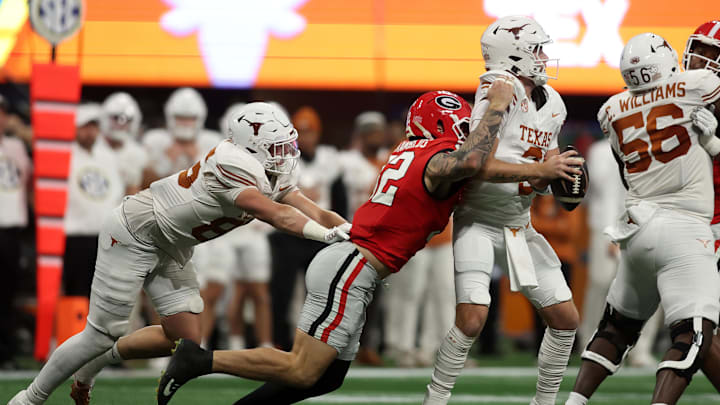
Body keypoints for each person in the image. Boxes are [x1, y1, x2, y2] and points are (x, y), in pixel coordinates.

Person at [157, 86, 580, 405]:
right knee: (301, 369)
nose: (469, 131)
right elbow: (473, 164)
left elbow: (479, 172)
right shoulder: (436, 159)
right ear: (445, 124)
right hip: (353, 266)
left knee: (326, 378)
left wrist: (536, 175)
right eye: (462, 124)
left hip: (353, 264)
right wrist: (520, 135)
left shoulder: (414, 151)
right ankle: (199, 360)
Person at [8, 102, 351, 405]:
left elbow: (313, 210)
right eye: (277, 147)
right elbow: (277, 215)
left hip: (172, 244)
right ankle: (28, 399)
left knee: (185, 339)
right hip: (135, 232)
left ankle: (93, 364)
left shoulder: (269, 170)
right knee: (101, 331)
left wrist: (352, 232)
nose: (287, 154)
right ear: (251, 146)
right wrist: (327, 236)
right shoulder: (232, 162)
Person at [425, 16, 580, 405]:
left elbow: (548, 165)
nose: (544, 57)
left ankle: (544, 403)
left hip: (518, 225)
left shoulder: (553, 103)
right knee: (472, 319)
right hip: (479, 220)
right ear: (512, 56)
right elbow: (477, 163)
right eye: (536, 50)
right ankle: (435, 399)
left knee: (566, 320)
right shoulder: (499, 88)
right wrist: (541, 170)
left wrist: (562, 178)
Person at [564, 33, 720, 405]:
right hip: (685, 226)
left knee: (616, 329)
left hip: (638, 227)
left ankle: (574, 402)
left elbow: (626, 166)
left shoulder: (610, 110)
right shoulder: (697, 86)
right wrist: (711, 144)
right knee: (692, 335)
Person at [682, 19, 720, 393]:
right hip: (689, 223)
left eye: (713, 53)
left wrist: (714, 144)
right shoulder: (673, 96)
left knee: (694, 324)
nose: (702, 60)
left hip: (716, 224)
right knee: (694, 325)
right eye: (699, 49)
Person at [63, 103, 124, 297]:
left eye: (94, 127)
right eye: (85, 127)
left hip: (105, 238)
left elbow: (117, 194)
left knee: (102, 295)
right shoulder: (66, 155)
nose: (90, 132)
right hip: (74, 236)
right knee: (77, 294)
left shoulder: (108, 157)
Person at [0, 94, 32, 369]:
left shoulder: (16, 146)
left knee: (8, 292)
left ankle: (6, 352)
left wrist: (18, 128)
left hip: (11, 230)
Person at [98, 92, 148, 196]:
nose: (120, 124)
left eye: (127, 119)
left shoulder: (139, 154)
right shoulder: (92, 147)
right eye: (116, 118)